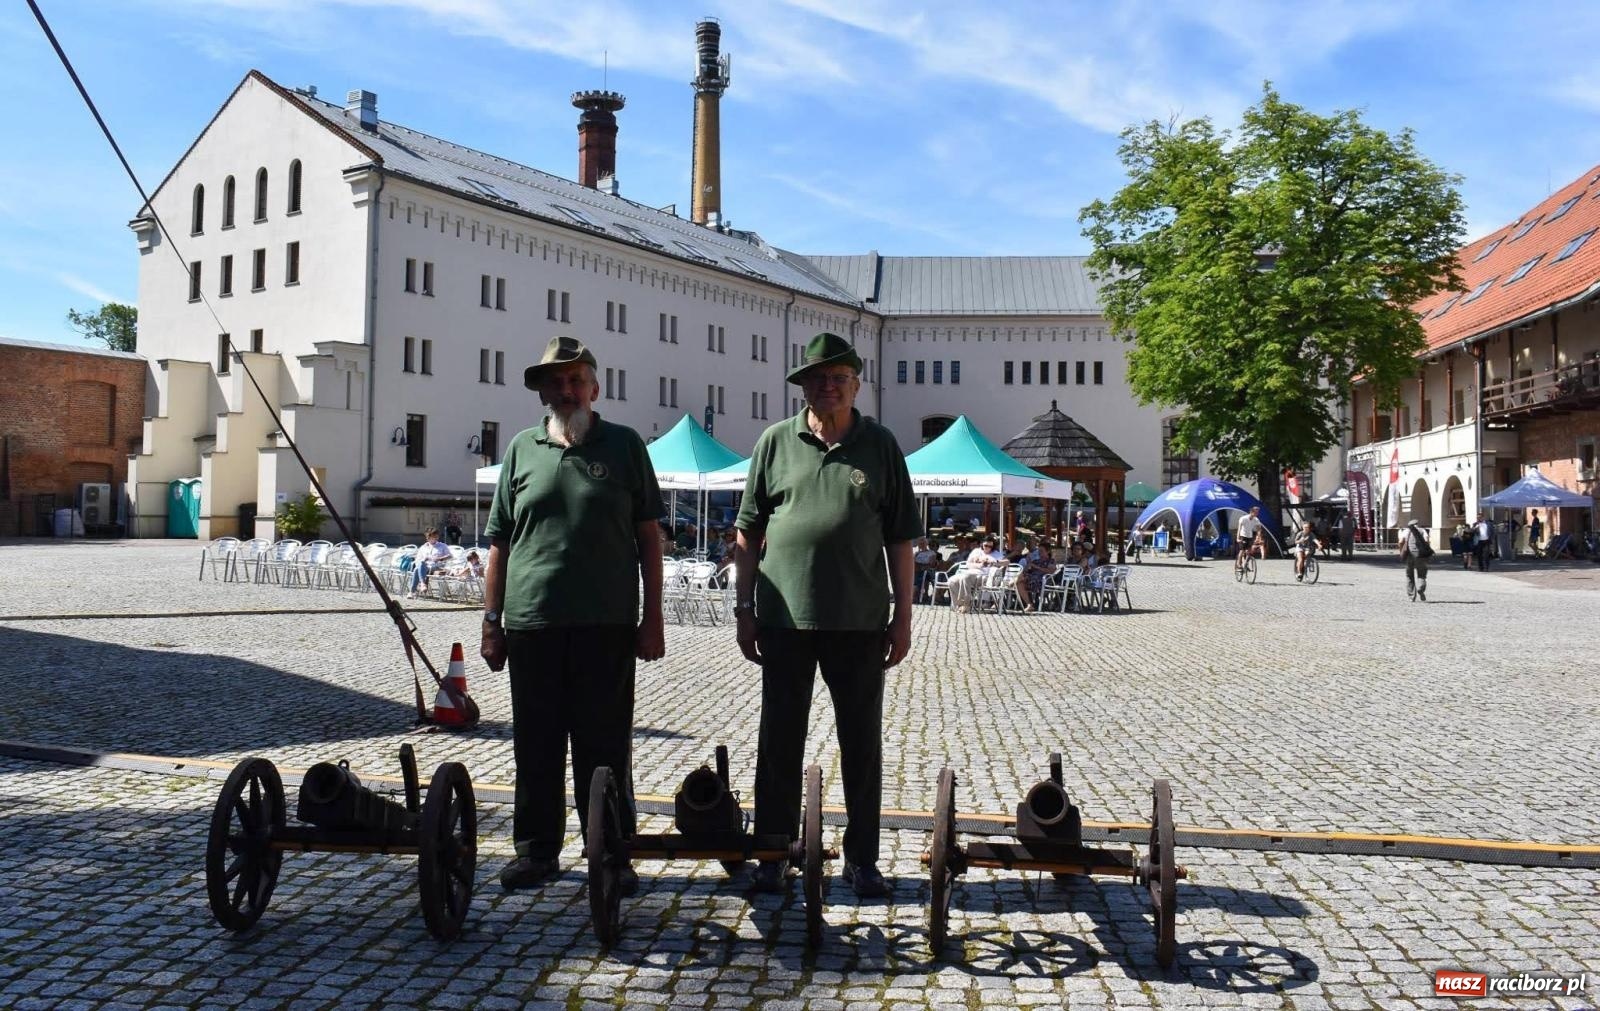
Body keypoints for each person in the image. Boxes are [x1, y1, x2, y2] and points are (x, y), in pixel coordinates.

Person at [733, 332, 920, 899]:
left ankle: (862, 860)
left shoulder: (881, 445)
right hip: (784, 619)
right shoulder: (774, 442)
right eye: (817, 377)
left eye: (838, 376)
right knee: (778, 741)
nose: (828, 385)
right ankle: (773, 851)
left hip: (860, 619)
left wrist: (903, 616)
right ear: (802, 387)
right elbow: (748, 531)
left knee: (861, 743)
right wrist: (744, 610)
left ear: (857, 384)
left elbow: (902, 539)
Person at [481, 335, 666, 895]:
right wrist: (491, 621)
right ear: (543, 391)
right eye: (555, 382)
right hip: (532, 621)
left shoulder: (625, 445)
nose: (566, 390)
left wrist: (652, 615)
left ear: (595, 387)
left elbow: (649, 540)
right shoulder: (521, 449)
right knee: (536, 743)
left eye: (575, 380)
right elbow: (499, 545)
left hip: (606, 623)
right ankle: (536, 852)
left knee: (605, 744)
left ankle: (611, 851)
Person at [407, 528, 452, 597]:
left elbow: (450, 556)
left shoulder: (442, 546)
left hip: (437, 566)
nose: (435, 538)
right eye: (433, 537)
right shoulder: (423, 547)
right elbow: (418, 559)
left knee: (417, 569)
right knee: (419, 566)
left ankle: (412, 591)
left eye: (436, 537)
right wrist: (424, 559)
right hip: (424, 566)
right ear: (428, 537)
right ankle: (422, 584)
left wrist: (440, 558)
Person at [1400, 518, 1429, 600]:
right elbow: (1427, 541)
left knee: (1409, 575)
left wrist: (1401, 551)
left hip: (1409, 555)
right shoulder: (1422, 530)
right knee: (1422, 574)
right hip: (1421, 556)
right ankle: (1420, 589)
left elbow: (1400, 541)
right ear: (1417, 524)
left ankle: (1411, 596)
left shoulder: (1406, 531)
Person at [1020, 541, 1054, 611]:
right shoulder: (1036, 561)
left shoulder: (1051, 561)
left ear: (1048, 551)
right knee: (1019, 582)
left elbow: (1050, 571)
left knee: (1019, 581)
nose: (1039, 552)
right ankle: (1029, 604)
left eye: (1041, 551)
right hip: (1030, 579)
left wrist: (1036, 567)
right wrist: (1028, 565)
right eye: (1039, 551)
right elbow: (1026, 570)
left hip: (1042, 581)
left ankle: (1009, 584)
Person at [1235, 506, 1264, 574]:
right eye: (1255, 512)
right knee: (1242, 550)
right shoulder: (1243, 518)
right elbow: (1239, 528)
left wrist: (1259, 537)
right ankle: (1239, 565)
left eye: (1257, 512)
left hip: (1250, 536)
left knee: (1249, 552)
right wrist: (1237, 538)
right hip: (1243, 536)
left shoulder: (1256, 519)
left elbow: (1259, 529)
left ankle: (1245, 564)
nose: (1257, 514)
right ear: (1251, 512)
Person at [912, 537, 939, 602]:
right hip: (917, 570)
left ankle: (915, 595)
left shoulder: (931, 552)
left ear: (926, 544)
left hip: (926, 572)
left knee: (918, 575)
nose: (922, 544)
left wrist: (919, 565)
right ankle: (914, 595)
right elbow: (912, 564)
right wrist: (921, 565)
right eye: (920, 543)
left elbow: (931, 564)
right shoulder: (916, 553)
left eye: (923, 543)